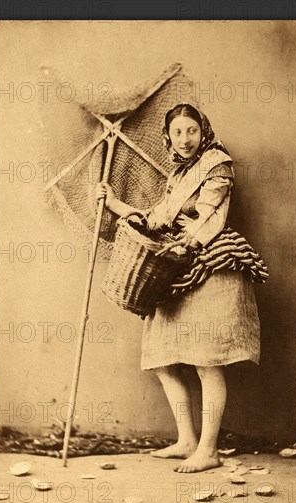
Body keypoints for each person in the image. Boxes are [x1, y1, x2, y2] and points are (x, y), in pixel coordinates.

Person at [96, 103, 262, 473]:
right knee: (163, 357)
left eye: (191, 131)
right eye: (177, 133)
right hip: (177, 263)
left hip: (211, 266)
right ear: (168, 136)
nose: (185, 139)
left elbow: (204, 217)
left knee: (207, 362)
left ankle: (209, 450)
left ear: (203, 131)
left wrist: (182, 244)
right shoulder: (178, 172)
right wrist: (114, 205)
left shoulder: (217, 164)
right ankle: (187, 439)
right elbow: (158, 217)